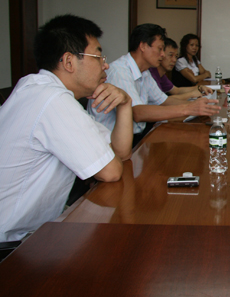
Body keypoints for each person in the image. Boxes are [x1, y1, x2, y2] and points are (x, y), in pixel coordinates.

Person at [0, 14, 133, 243]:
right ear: (69, 62)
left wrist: (125, 104)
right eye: (98, 57)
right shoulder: (52, 99)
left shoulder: (35, 87)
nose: (106, 65)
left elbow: (120, 153)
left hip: (29, 233)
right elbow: (110, 172)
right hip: (13, 244)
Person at [88, 24, 220, 145]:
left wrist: (200, 105)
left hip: (136, 136)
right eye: (160, 49)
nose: (162, 55)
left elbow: (164, 101)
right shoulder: (120, 71)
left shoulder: (145, 72)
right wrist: (188, 108)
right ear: (143, 46)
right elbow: (137, 113)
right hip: (109, 144)